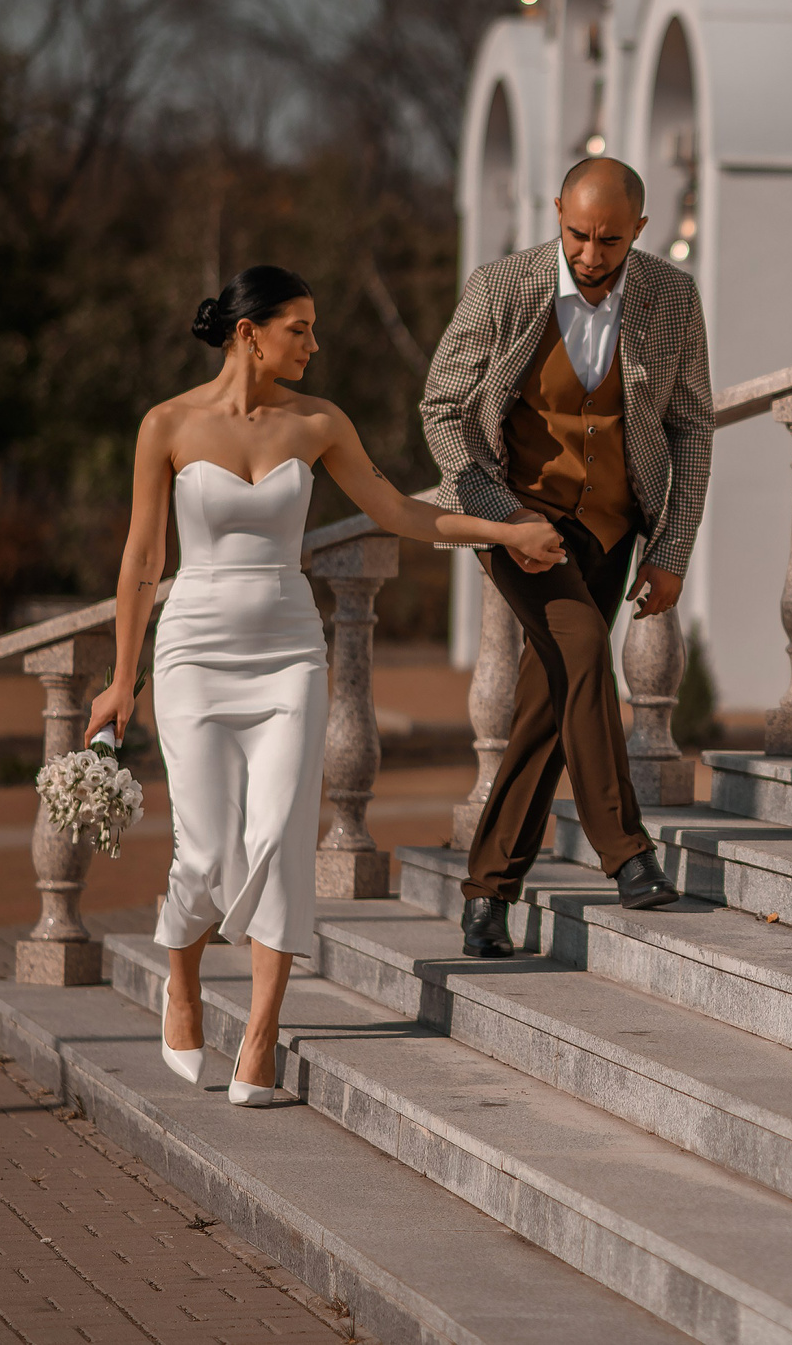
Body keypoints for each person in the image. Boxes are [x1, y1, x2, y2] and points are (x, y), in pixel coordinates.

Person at [85, 265, 565, 1104]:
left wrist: (505, 531)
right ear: (249, 333)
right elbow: (142, 559)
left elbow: (399, 512)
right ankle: (183, 985)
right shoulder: (166, 424)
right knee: (204, 845)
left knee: (280, 834)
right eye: (298, 328)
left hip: (289, 651)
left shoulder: (319, 422)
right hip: (193, 651)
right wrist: (122, 679)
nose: (314, 343)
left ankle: (260, 1038)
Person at [421, 155, 713, 957]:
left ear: (640, 229)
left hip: (614, 526)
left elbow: (691, 426)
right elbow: (441, 409)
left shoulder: (672, 296)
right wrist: (505, 518)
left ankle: (487, 897)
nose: (590, 254)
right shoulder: (501, 287)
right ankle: (627, 853)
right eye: (578, 234)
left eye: (610, 240)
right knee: (582, 651)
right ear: (557, 211)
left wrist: (672, 547)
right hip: (517, 518)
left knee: (550, 701)